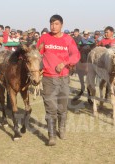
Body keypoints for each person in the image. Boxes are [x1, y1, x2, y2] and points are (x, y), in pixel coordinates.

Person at [37, 14, 80, 146]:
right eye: (51, 24)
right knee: (50, 108)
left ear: (61, 25)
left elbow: (76, 54)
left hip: (63, 78)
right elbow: (37, 54)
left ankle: (62, 129)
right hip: (48, 78)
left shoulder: (68, 39)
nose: (53, 26)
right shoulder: (44, 38)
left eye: (56, 24)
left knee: (62, 107)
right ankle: (52, 136)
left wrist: (65, 63)